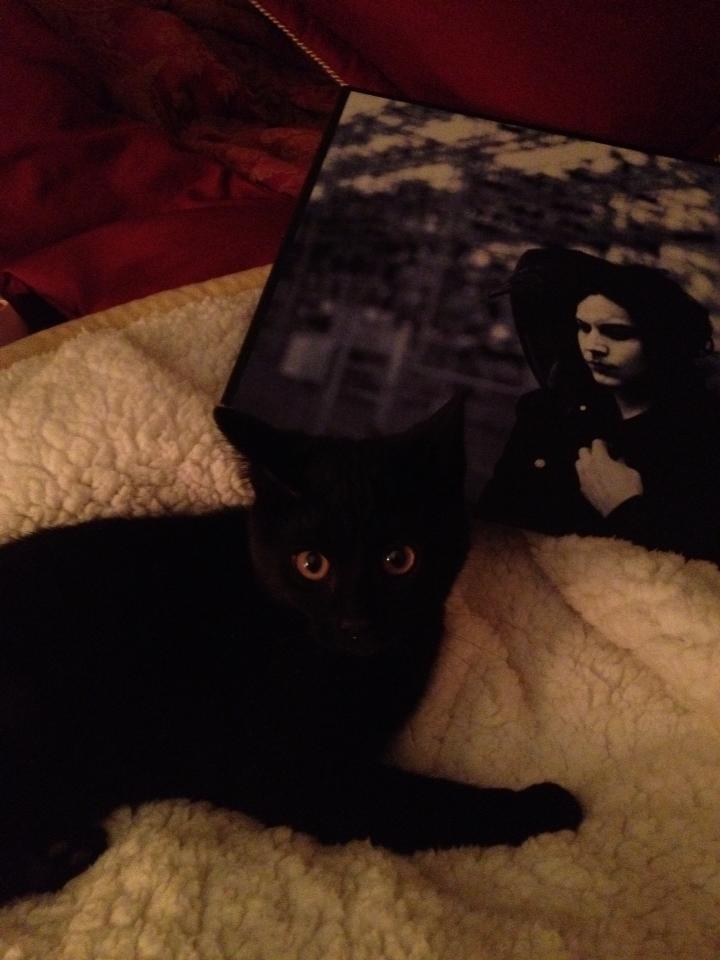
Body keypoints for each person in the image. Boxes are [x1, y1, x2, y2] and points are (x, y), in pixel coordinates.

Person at [479, 246, 720, 565]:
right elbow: (492, 523)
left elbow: (703, 570)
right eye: (583, 327)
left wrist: (625, 508)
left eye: (617, 333)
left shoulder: (701, 436)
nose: (593, 346)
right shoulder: (548, 413)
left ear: (661, 340)